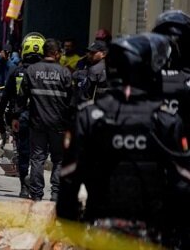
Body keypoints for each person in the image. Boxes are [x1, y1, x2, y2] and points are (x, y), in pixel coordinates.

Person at [57, 33, 186, 247]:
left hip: (99, 233)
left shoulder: (89, 117)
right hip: (150, 236)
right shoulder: (167, 121)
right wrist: (173, 233)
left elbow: (69, 180)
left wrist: (72, 229)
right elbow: (182, 185)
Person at [18, 39, 72, 202]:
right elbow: (72, 101)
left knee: (37, 158)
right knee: (59, 159)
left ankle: (36, 194)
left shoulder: (32, 70)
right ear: (56, 54)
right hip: (58, 124)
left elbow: (21, 98)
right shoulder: (64, 73)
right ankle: (56, 193)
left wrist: (16, 116)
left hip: (37, 123)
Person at [0, 32, 45, 198]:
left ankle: (24, 186)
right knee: (39, 155)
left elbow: (6, 96)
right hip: (42, 119)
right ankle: (36, 187)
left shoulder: (18, 71)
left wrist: (0, 117)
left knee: (23, 153)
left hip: (21, 118)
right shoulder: (46, 72)